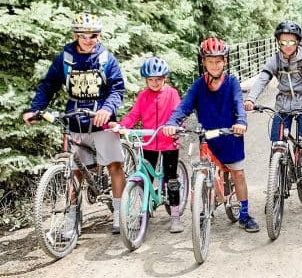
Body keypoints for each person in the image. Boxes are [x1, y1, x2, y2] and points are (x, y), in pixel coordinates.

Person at [22, 12, 126, 235]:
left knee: (114, 166)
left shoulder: (107, 59)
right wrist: (35, 108)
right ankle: (71, 222)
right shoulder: (65, 59)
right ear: (75, 35)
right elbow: (48, 85)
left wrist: (107, 109)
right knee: (74, 172)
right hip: (75, 121)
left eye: (94, 35)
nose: (89, 40)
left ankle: (119, 214)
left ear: (99, 35)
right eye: (83, 35)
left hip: (102, 122)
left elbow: (117, 88)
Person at [163, 38, 259, 233]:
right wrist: (173, 123)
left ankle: (245, 214)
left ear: (225, 61)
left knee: (237, 173)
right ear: (203, 62)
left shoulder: (232, 83)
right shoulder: (198, 86)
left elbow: (239, 104)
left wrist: (241, 122)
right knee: (205, 171)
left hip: (230, 135)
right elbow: (184, 107)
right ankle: (206, 205)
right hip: (208, 137)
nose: (215, 65)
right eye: (210, 61)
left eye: (219, 61)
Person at [243, 20, 302, 210]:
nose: (287, 46)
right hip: (282, 104)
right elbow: (263, 78)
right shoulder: (276, 59)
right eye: (283, 42)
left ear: (298, 42)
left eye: (291, 42)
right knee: (276, 144)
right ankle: (275, 188)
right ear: (278, 42)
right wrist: (251, 99)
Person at [112, 57, 183, 233]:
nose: (154, 83)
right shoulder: (143, 95)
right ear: (146, 80)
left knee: (171, 178)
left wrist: (175, 127)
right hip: (149, 142)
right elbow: (134, 115)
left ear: (164, 78)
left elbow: (178, 113)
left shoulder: (171, 93)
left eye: (158, 79)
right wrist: (122, 126)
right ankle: (145, 210)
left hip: (168, 142)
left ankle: (175, 216)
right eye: (150, 80)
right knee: (145, 177)